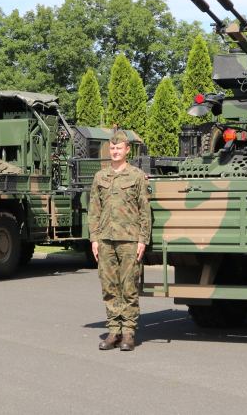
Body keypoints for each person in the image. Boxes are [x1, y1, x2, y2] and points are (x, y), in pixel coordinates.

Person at [88, 130, 151, 351]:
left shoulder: (136, 176)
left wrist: (143, 239)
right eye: (112, 148)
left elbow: (144, 210)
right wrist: (94, 238)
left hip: (129, 240)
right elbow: (94, 210)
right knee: (109, 286)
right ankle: (113, 331)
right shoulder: (100, 177)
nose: (115, 151)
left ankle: (128, 333)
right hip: (105, 239)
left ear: (127, 150)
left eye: (119, 148)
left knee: (129, 286)